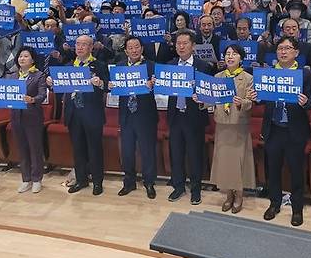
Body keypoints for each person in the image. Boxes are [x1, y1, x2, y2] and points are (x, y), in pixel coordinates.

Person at [248, 36, 311, 226]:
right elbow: (262, 99)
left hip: (295, 131)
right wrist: (256, 97)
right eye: (280, 49)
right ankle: (274, 203)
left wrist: (305, 102)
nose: (283, 52)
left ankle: (297, 209)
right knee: (273, 170)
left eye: (288, 48)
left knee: (296, 172)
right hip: (274, 129)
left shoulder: (304, 74)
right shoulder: (267, 73)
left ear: (296, 52)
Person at [57, 35, 109, 196]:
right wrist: (54, 83)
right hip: (73, 113)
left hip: (92, 113)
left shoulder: (99, 65)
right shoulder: (68, 66)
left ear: (91, 47)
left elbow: (108, 86)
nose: (80, 47)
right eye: (78, 44)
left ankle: (98, 182)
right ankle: (81, 179)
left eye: (84, 44)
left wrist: (100, 83)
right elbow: (61, 88)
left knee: (94, 149)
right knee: (78, 149)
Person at [167, 29, 214, 205]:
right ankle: (178, 187)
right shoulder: (170, 65)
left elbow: (209, 94)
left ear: (193, 46)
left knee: (195, 155)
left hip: (194, 117)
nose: (181, 46)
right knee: (176, 154)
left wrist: (201, 97)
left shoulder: (203, 66)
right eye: (178, 43)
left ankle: (196, 189)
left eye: (185, 43)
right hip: (175, 116)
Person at [208, 44, 255, 214]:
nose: (230, 56)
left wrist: (242, 103)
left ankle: (240, 195)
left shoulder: (248, 78)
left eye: (234, 54)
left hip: (239, 125)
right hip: (222, 123)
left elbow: (251, 101)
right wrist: (200, 99)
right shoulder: (217, 76)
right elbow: (210, 100)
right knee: (225, 162)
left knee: (239, 163)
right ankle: (228, 195)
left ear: (241, 58)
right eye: (227, 54)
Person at [112, 36, 158, 199]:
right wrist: (112, 86)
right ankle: (129, 182)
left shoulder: (151, 66)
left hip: (145, 114)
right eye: (130, 48)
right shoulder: (119, 67)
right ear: (126, 51)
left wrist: (153, 85)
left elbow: (160, 88)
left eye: (137, 47)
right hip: (126, 115)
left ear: (142, 49)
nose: (134, 50)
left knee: (147, 150)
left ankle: (149, 182)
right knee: (127, 150)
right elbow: (116, 89)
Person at [9, 46, 47, 193]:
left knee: (34, 148)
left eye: (25, 56)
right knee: (22, 148)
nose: (22, 59)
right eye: (20, 56)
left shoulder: (39, 75)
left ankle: (37, 178)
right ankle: (26, 179)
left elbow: (42, 94)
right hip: (16, 116)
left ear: (32, 60)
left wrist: (32, 99)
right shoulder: (12, 76)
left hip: (32, 117)